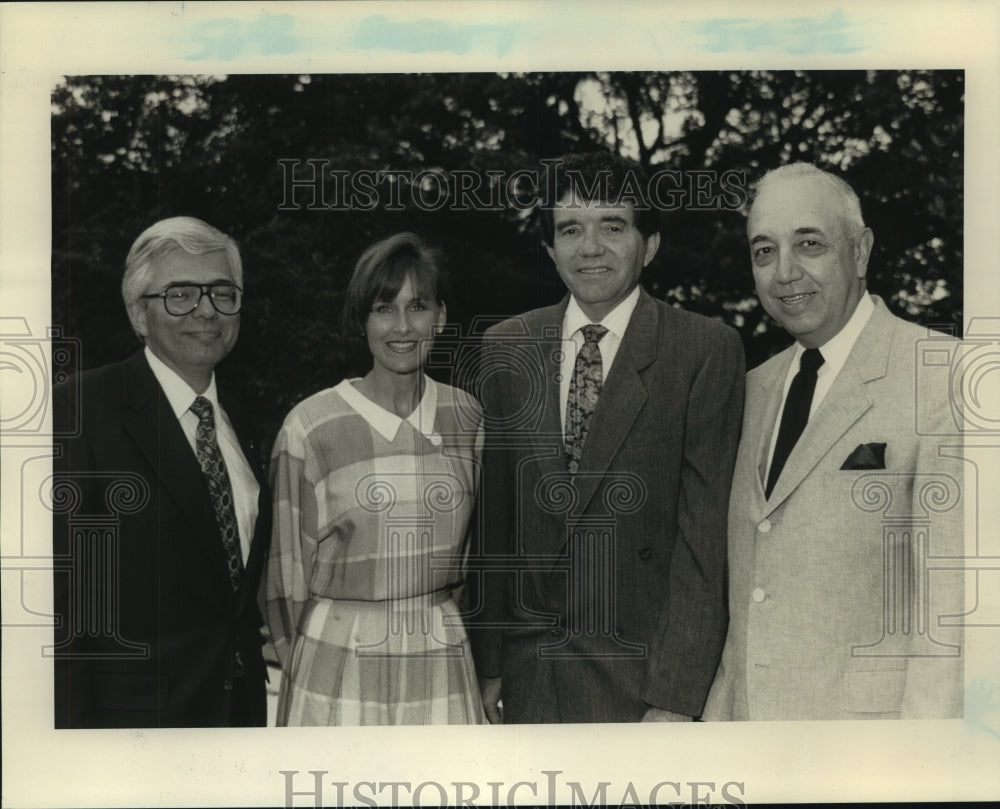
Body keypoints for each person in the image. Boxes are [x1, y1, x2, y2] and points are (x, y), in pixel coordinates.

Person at [469, 152, 746, 723]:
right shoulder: (506, 347)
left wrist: (674, 698)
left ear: (649, 244)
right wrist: (489, 666)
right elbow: (494, 529)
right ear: (549, 249)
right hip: (530, 679)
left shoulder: (703, 351)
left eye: (612, 226)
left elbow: (704, 547)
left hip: (642, 686)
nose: (589, 247)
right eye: (570, 229)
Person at [703, 163, 964, 721]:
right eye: (764, 251)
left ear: (861, 251)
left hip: (868, 759)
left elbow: (954, 615)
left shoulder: (941, 378)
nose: (786, 273)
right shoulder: (750, 390)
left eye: (810, 244)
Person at [52, 216, 271, 728]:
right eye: (180, 294)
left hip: (238, 719)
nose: (206, 311)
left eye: (222, 292)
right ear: (138, 312)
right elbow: (59, 611)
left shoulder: (244, 422)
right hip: (131, 733)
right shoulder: (78, 413)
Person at [265, 232, 486, 725]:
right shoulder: (311, 427)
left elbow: (478, 557)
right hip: (338, 655)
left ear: (442, 317)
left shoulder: (467, 417)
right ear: (362, 320)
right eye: (384, 308)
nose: (402, 326)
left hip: (441, 652)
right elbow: (284, 580)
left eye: (419, 306)